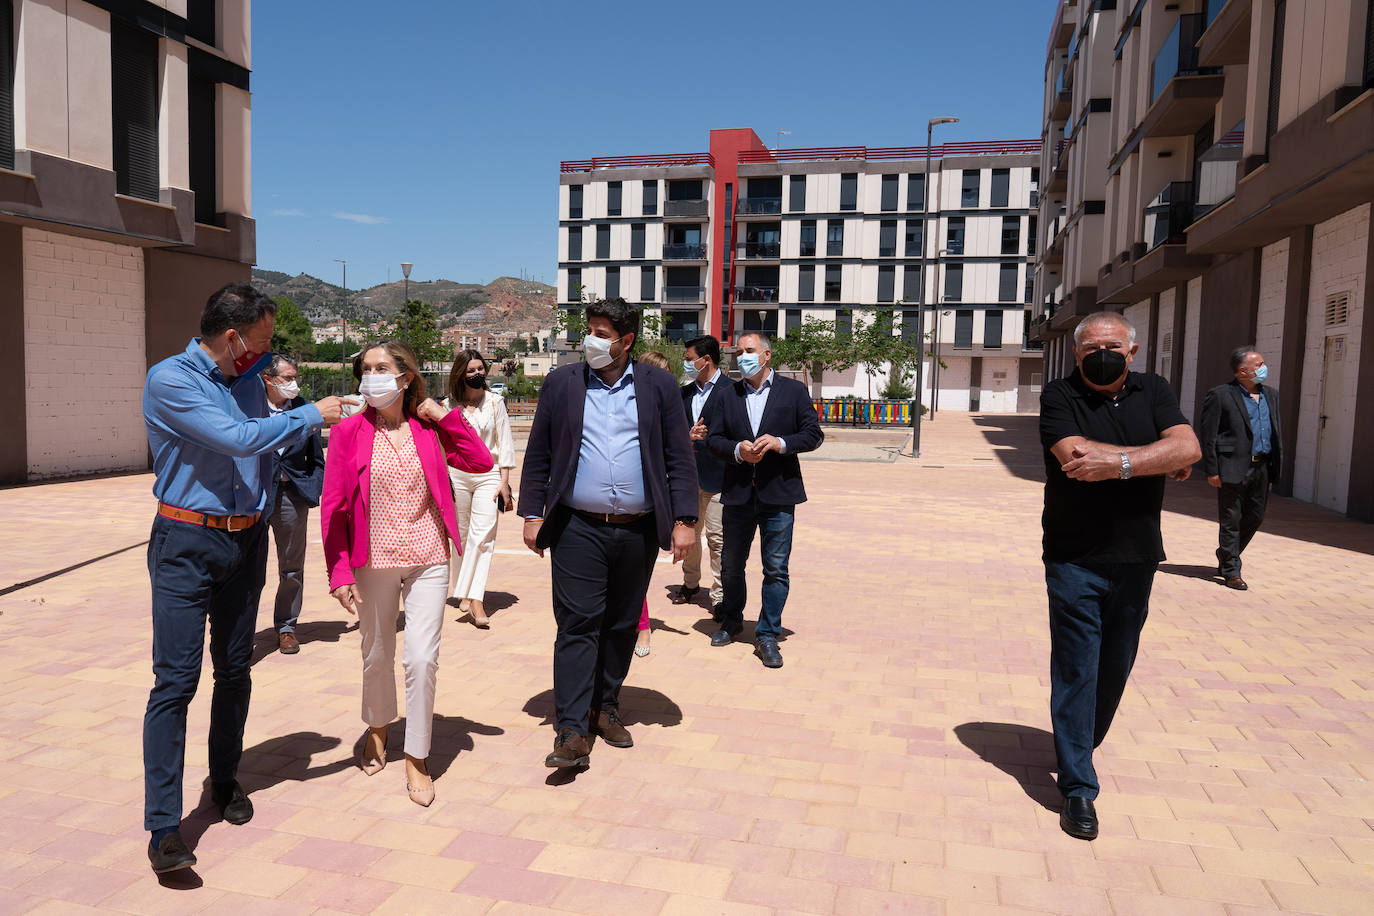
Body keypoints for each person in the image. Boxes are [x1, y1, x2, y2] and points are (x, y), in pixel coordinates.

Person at [141, 283, 347, 873]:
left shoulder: (253, 384)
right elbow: (237, 440)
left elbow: (268, 452)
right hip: (186, 541)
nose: (265, 353)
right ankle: (163, 827)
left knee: (234, 670)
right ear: (232, 338)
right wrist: (311, 412)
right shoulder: (172, 380)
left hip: (245, 539)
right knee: (175, 683)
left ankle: (225, 780)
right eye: (259, 342)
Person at [1038, 311, 1200, 841]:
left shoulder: (1154, 389)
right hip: (1072, 555)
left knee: (1115, 668)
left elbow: (1189, 448)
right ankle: (1079, 789)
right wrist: (1155, 458)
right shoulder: (1059, 396)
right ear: (1076, 353)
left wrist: (1122, 465)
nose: (1098, 352)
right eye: (1088, 346)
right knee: (1077, 666)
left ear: (1131, 351)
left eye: (1110, 344)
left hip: (1136, 556)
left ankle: (1081, 741)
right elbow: (1074, 457)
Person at [517, 298, 698, 768]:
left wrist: (684, 521)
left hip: (637, 529)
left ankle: (606, 706)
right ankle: (572, 729)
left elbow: (679, 456)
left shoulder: (658, 386)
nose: (592, 341)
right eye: (590, 330)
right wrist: (531, 514)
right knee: (578, 625)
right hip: (578, 526)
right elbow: (538, 453)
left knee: (620, 626)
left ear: (627, 341)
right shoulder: (562, 383)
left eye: (603, 333)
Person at [320, 341, 493, 807]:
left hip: (428, 556)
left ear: (405, 377)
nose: (370, 376)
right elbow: (334, 505)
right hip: (371, 559)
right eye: (365, 369)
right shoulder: (348, 432)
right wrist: (339, 571)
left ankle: (417, 755)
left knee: (421, 659)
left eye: (381, 368)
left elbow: (480, 462)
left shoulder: (427, 428)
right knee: (376, 653)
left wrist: (442, 416)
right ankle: (377, 726)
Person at [706, 331, 824, 668]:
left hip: (778, 494)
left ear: (767, 355)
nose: (742, 356)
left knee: (775, 568)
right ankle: (730, 620)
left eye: (749, 350)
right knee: (731, 564)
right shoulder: (728, 395)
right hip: (738, 494)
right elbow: (714, 439)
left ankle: (768, 633)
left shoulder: (793, 391)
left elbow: (813, 434)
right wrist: (738, 450)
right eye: (739, 351)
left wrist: (781, 443)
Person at [443, 349, 516, 626]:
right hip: (457, 476)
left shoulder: (496, 402)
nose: (477, 374)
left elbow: (505, 443)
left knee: (482, 535)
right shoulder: (448, 406)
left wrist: (505, 483)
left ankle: (476, 598)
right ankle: (462, 589)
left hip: (488, 475)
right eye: (471, 370)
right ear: (460, 373)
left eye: (480, 369)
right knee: (460, 537)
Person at [1199, 347, 1282, 591]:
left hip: (1262, 465)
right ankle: (1231, 571)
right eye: (1259, 365)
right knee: (1230, 519)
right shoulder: (1220, 395)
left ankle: (1226, 554)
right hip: (1232, 466)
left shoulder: (1271, 395)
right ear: (1242, 371)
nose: (1264, 368)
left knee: (1255, 517)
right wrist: (1212, 469)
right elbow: (1209, 434)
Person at [262, 354, 325, 654]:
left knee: (291, 567)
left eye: (294, 377)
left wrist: (313, 488)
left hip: (291, 496)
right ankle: (239, 631)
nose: (293, 383)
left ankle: (286, 627)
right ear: (268, 379)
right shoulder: (253, 410)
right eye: (287, 378)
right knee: (247, 567)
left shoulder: (305, 410)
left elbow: (317, 457)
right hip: (256, 496)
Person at [676, 335, 728, 621]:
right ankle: (690, 584)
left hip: (719, 478)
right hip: (687, 478)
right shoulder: (683, 394)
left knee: (718, 540)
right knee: (689, 537)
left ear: (706, 359)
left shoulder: (732, 391)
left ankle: (719, 597)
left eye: (688, 358)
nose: (686, 363)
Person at [632, 350, 674, 656]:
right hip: (621, 499)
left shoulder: (665, 406)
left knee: (637, 571)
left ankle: (643, 627)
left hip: (651, 501)